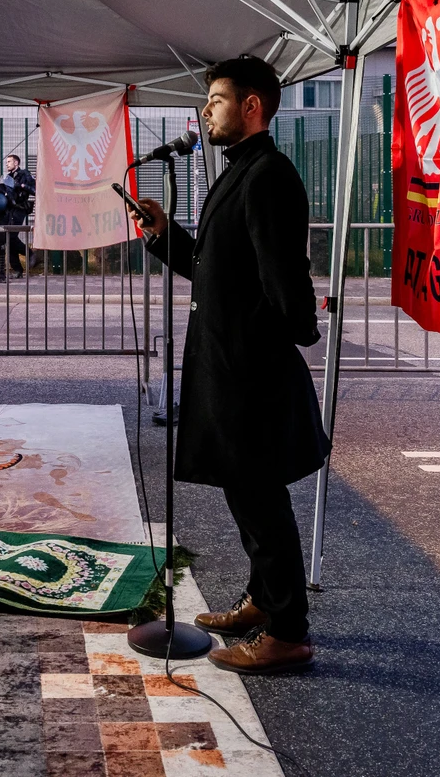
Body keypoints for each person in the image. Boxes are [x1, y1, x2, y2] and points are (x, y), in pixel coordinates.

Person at [130, 56, 328, 675]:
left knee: (261, 501)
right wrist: (165, 236)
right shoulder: (241, 172)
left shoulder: (267, 175)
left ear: (251, 107)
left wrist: (289, 333)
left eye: (216, 99)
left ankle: (288, 632)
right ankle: (262, 602)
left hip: (249, 373)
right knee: (247, 497)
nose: (206, 110)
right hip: (229, 365)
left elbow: (282, 280)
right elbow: (219, 268)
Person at [3, 154, 34, 276]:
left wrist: (21, 185)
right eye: (7, 162)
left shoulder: (25, 174)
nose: (7, 164)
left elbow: (34, 189)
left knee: (10, 236)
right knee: (8, 238)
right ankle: (17, 269)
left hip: (20, 208)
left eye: (9, 162)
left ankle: (30, 254)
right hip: (9, 209)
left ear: (16, 163)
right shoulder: (7, 178)